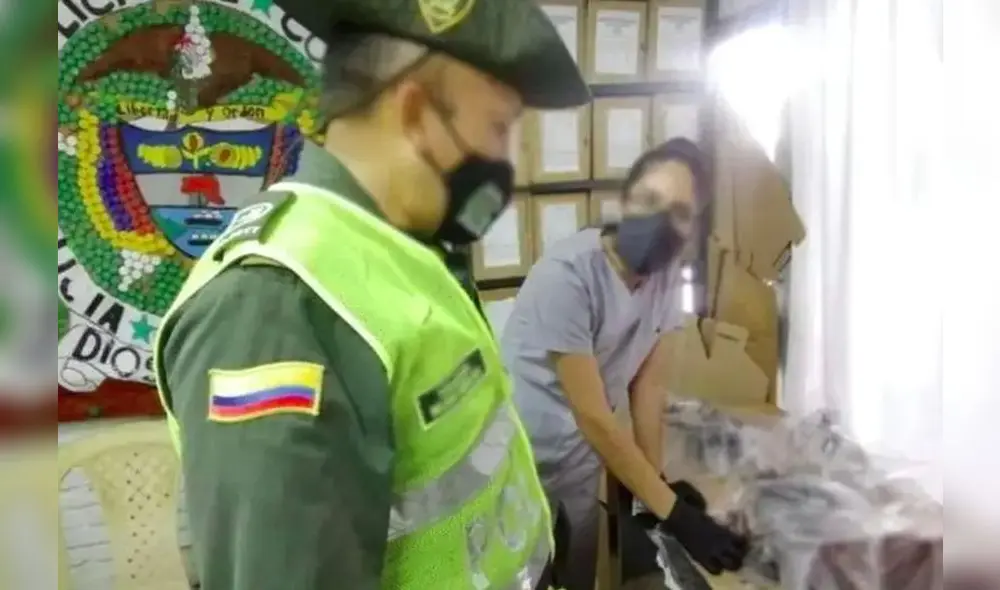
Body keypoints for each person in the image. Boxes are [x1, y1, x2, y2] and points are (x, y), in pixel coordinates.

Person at [151, 0, 591, 588]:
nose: (504, 162)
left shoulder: (401, 249)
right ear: (414, 114)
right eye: (497, 128)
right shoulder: (279, 306)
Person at [499, 139, 749, 590]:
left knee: (576, 570)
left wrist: (654, 492)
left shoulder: (668, 278)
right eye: (650, 200)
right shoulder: (568, 275)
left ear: (692, 229)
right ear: (625, 200)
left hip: (579, 458)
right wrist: (675, 513)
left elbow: (648, 391)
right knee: (522, 572)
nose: (660, 221)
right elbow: (593, 414)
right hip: (520, 449)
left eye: (679, 212)